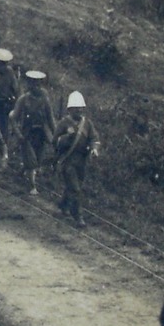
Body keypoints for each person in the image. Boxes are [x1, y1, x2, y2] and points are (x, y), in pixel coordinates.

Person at [53, 90, 100, 226]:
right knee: (75, 189)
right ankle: (78, 216)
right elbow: (55, 141)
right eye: (76, 108)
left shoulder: (87, 123)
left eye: (81, 108)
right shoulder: (64, 123)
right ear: (70, 109)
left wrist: (94, 149)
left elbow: (94, 138)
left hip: (82, 161)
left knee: (75, 185)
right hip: (68, 161)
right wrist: (67, 138)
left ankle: (63, 204)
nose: (79, 110)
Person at [10, 69, 55, 194]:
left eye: (38, 83)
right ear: (29, 84)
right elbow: (13, 118)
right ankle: (32, 186)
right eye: (33, 83)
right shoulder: (23, 100)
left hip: (41, 133)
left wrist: (55, 135)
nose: (36, 86)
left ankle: (21, 172)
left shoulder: (45, 99)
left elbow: (50, 118)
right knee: (31, 161)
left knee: (38, 158)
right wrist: (18, 133)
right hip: (27, 134)